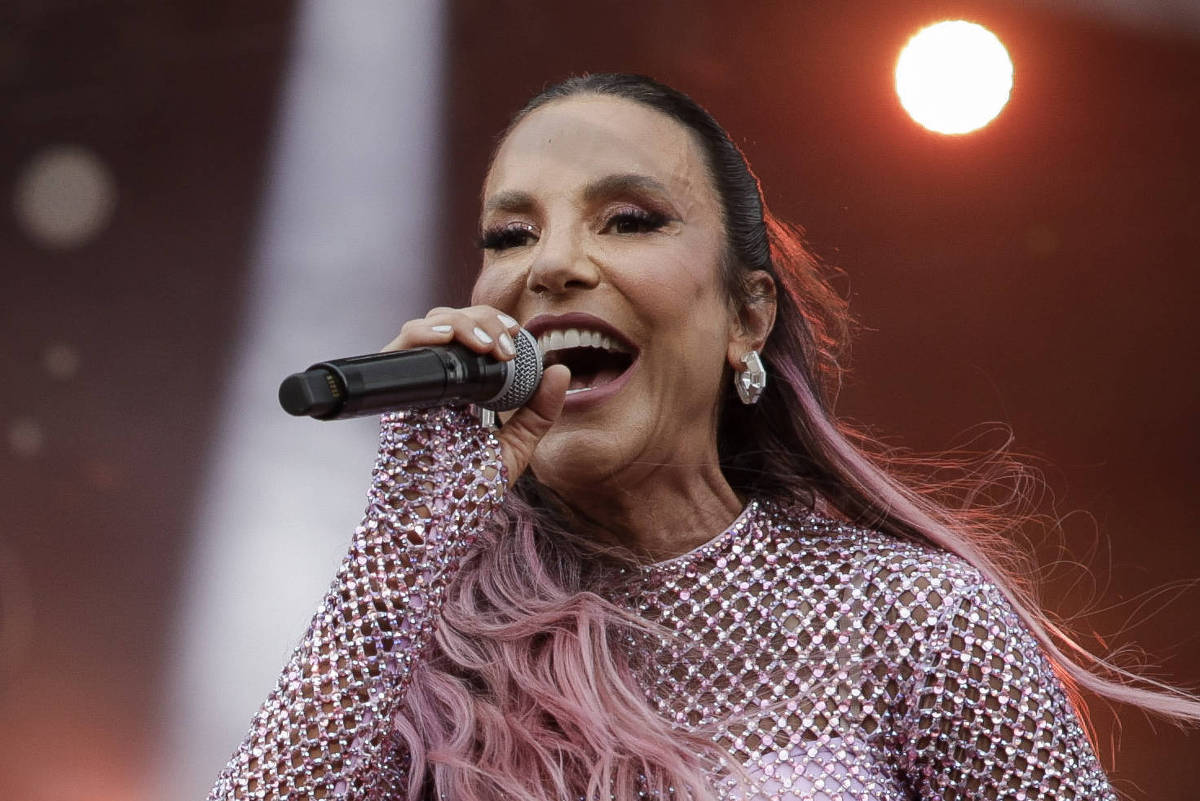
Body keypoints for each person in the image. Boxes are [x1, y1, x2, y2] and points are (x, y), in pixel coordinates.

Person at [207, 74, 1198, 801]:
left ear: (748, 319)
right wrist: (404, 544)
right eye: (509, 236)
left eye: (629, 219)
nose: (548, 266)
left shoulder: (913, 621)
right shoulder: (414, 644)